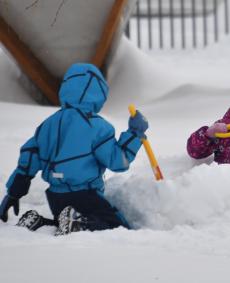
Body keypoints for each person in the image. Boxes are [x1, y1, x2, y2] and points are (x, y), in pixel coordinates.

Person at [0, 63, 149, 235]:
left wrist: (13, 194)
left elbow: (29, 159)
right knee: (116, 227)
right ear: (97, 94)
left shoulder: (48, 124)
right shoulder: (98, 127)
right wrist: (135, 133)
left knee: (63, 219)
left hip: (55, 198)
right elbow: (118, 161)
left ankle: (39, 222)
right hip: (85, 195)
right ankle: (77, 223)